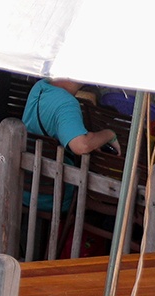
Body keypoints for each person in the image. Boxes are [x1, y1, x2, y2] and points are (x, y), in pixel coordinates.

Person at [22, 76, 118, 218]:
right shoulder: (67, 103)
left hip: (24, 189)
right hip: (54, 196)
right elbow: (81, 146)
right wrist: (109, 134)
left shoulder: (40, 87)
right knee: (106, 204)